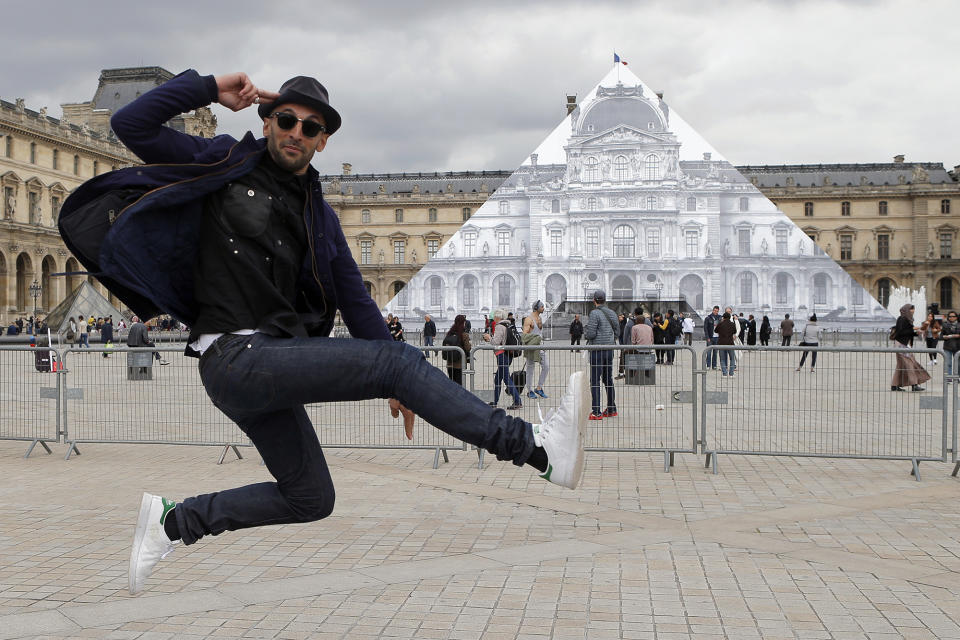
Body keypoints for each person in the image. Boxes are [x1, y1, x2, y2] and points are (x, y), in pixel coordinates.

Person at [59, 69, 589, 595]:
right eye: (287, 119)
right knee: (396, 365)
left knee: (309, 497)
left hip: (267, 363)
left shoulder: (321, 217)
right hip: (231, 355)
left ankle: (173, 523)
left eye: (311, 127)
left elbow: (358, 305)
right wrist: (208, 88)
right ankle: (537, 450)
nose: (297, 132)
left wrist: (408, 386)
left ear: (323, 140)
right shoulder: (221, 157)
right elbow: (131, 123)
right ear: (268, 121)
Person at [584, 289, 618, 420]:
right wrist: (609, 338)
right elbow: (617, 331)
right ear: (605, 300)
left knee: (595, 380)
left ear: (594, 300)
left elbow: (591, 333)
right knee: (608, 379)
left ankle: (596, 411)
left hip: (597, 350)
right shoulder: (612, 313)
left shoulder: (594, 313)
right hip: (609, 349)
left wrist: (587, 334)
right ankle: (611, 408)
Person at [483, 308, 523, 409]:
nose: (494, 319)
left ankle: (517, 401)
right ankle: (495, 401)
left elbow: (496, 342)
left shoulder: (499, 326)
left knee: (506, 378)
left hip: (502, 355)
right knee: (497, 379)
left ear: (498, 317)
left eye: (495, 317)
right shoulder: (508, 324)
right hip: (508, 355)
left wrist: (489, 338)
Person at [890, 304, 930, 391]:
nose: (913, 310)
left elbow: (908, 333)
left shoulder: (908, 319)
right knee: (910, 364)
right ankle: (914, 384)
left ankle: (894, 385)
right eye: (911, 309)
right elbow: (900, 332)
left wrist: (916, 333)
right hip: (901, 344)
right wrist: (915, 329)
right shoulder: (902, 318)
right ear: (906, 310)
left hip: (904, 344)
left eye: (913, 309)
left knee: (900, 365)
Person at [522, 300, 549, 399]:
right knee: (530, 368)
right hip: (532, 346)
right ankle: (529, 390)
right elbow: (524, 335)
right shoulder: (529, 319)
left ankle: (539, 388)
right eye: (542, 306)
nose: (543, 308)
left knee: (546, 366)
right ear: (537, 308)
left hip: (540, 346)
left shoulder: (540, 318)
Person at [441, 314, 471, 386]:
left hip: (450, 363)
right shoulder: (464, 335)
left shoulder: (449, 333)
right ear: (463, 323)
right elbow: (467, 348)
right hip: (460, 364)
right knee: (459, 383)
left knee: (452, 383)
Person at [715, 312, 737, 376]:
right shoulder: (732, 324)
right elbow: (735, 331)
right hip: (730, 343)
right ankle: (731, 373)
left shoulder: (720, 324)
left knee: (722, 359)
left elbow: (715, 331)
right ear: (730, 317)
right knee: (732, 359)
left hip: (721, 343)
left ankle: (724, 373)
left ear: (723, 317)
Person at [940, 311, 959, 376]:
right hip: (947, 347)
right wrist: (944, 337)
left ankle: (957, 377)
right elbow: (941, 336)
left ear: (956, 317)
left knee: (958, 363)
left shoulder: (959, 324)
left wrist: (958, 336)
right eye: (950, 316)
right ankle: (949, 378)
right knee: (948, 363)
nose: (952, 318)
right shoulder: (945, 324)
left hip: (958, 347)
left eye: (953, 316)